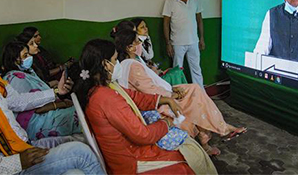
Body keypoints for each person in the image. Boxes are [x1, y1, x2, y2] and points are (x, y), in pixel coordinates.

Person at [75, 39, 216, 174]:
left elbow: (135, 97)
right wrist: (167, 122)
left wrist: (165, 99)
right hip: (130, 158)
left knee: (188, 147)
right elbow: (143, 135)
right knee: (191, 157)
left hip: (130, 147)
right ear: (105, 64)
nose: (118, 63)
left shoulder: (104, 88)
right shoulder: (105, 98)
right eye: (115, 60)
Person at [114, 29, 247, 156]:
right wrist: (173, 94)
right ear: (129, 47)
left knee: (194, 89)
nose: (140, 44)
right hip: (155, 101)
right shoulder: (131, 66)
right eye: (137, 42)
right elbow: (150, 90)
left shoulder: (134, 61)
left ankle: (213, 133)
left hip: (159, 94)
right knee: (194, 97)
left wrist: (172, 89)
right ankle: (217, 132)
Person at [0, 77, 105, 175]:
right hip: (14, 164)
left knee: (77, 160)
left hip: (25, 145)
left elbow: (17, 100)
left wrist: (55, 92)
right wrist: (18, 162)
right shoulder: (13, 76)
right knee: (81, 153)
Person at [2, 41, 81, 140]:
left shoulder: (29, 72)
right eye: (25, 55)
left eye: (28, 54)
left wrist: (58, 93)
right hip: (37, 123)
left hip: (47, 112)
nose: (29, 57)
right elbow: (35, 107)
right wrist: (62, 103)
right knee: (80, 114)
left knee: (81, 110)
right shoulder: (15, 78)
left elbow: (38, 96)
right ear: (14, 59)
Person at [162, 0, 205, 89]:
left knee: (196, 69)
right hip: (177, 42)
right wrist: (168, 43)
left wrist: (201, 38)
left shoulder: (195, 0)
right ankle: (179, 94)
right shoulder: (170, 1)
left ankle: (200, 93)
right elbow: (166, 23)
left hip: (193, 41)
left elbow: (199, 20)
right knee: (177, 70)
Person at [130, 18, 188, 85]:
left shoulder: (145, 40)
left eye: (146, 26)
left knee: (178, 71)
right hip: (148, 77)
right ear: (135, 31)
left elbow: (149, 57)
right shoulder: (136, 46)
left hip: (152, 72)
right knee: (176, 73)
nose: (146, 29)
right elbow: (146, 59)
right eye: (142, 27)